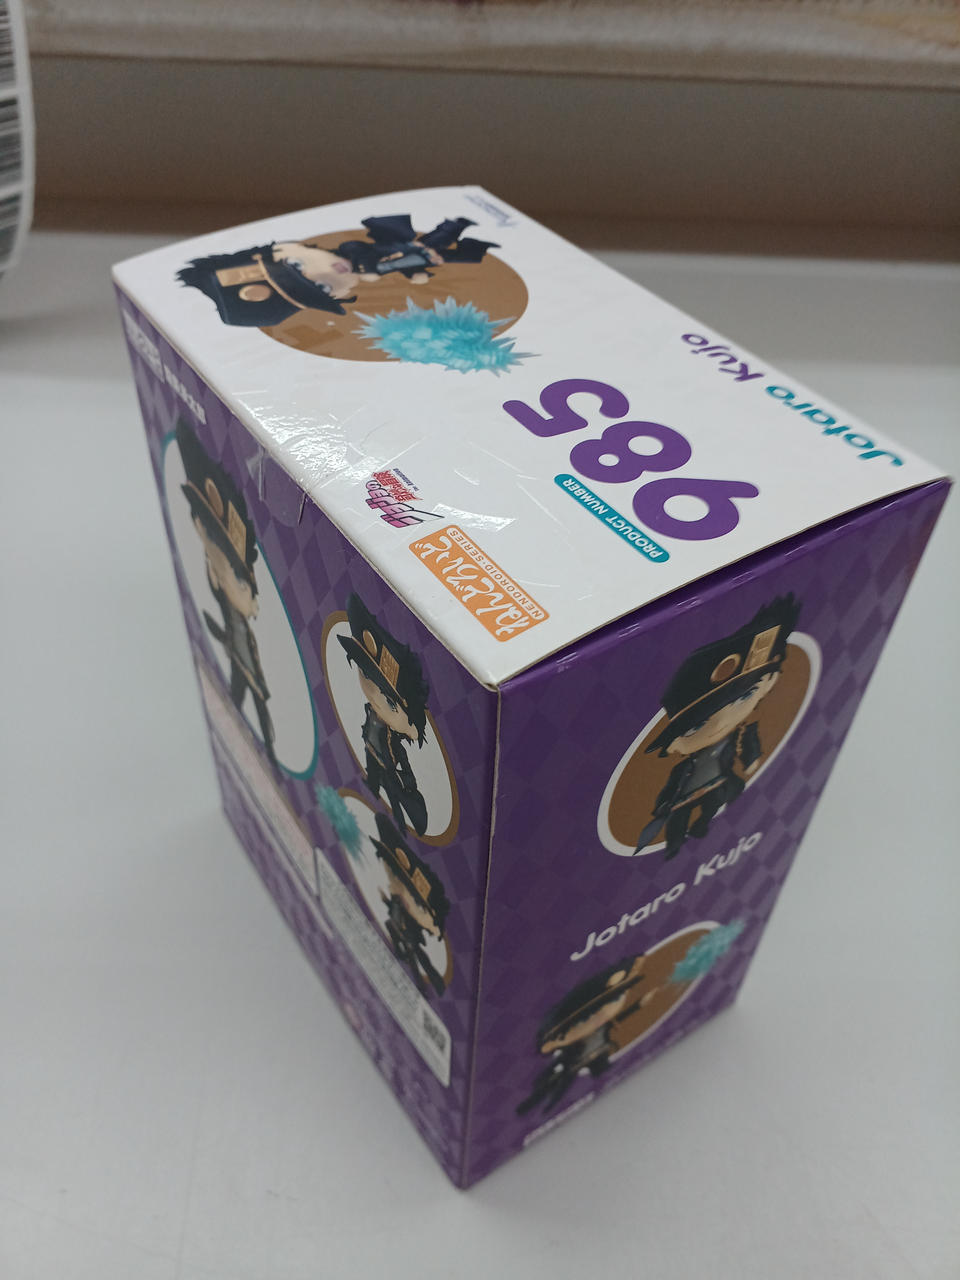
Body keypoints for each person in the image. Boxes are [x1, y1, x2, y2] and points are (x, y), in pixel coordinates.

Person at [635, 594, 801, 859]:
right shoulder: (684, 766)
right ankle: (674, 847)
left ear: (768, 683)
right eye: (696, 726)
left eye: (745, 695)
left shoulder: (739, 736)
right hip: (686, 793)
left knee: (714, 806)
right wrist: (663, 805)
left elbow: (750, 747)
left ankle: (702, 826)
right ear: (675, 744)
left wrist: (750, 759)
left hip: (718, 782)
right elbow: (672, 783)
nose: (721, 725)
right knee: (678, 821)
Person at [176, 420, 276, 766]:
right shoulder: (215, 572)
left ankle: (265, 751)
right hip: (238, 650)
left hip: (242, 650)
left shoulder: (230, 575)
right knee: (238, 695)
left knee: (251, 702)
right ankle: (246, 742)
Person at [338, 593, 429, 836]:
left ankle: (401, 827)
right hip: (372, 751)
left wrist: (407, 783)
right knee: (372, 780)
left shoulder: (395, 735)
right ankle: (372, 791)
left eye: (389, 702)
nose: (374, 698)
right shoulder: (372, 712)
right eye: (364, 673)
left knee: (394, 799)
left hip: (388, 765)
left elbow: (402, 758)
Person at [516, 962, 654, 1116]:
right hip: (567, 1059)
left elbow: (621, 1017)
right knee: (546, 1082)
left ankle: (547, 1109)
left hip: (573, 1065)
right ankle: (534, 1100)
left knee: (561, 1089)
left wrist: (639, 1004)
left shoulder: (604, 1031)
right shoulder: (582, 1027)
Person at [372, 814, 449, 998]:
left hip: (411, 936)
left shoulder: (415, 898)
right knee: (416, 964)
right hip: (406, 935)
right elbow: (395, 909)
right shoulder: (398, 899)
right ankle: (423, 988)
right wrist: (386, 900)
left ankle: (435, 986)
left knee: (422, 962)